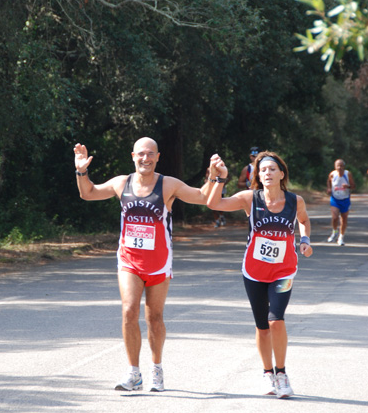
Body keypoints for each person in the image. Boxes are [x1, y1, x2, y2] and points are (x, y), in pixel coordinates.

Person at [74, 137, 214, 393]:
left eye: (150, 154)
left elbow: (203, 197)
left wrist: (215, 177)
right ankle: (133, 373)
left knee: (155, 318)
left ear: (158, 157)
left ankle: (157, 369)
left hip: (159, 263)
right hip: (129, 261)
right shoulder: (121, 183)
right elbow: (88, 193)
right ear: (133, 156)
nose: (145, 158)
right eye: (141, 154)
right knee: (129, 311)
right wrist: (81, 170)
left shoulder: (167, 184)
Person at [206, 150, 313, 399]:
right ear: (257, 175)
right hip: (253, 271)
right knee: (262, 326)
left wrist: (305, 240)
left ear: (281, 173)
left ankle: (282, 374)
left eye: (272, 169)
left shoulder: (295, 201)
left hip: (284, 271)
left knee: (276, 320)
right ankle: (267, 374)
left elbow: (304, 221)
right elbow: (214, 204)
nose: (267, 173)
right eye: (262, 169)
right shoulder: (249, 199)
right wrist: (218, 178)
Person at [326, 159, 355, 246]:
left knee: (344, 218)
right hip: (335, 199)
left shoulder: (347, 174)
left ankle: (341, 237)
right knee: (335, 217)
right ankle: (334, 232)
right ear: (335, 167)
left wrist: (348, 186)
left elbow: (353, 186)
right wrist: (329, 188)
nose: (339, 167)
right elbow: (328, 181)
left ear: (344, 166)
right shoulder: (332, 174)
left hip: (345, 199)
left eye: (341, 166)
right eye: (338, 166)